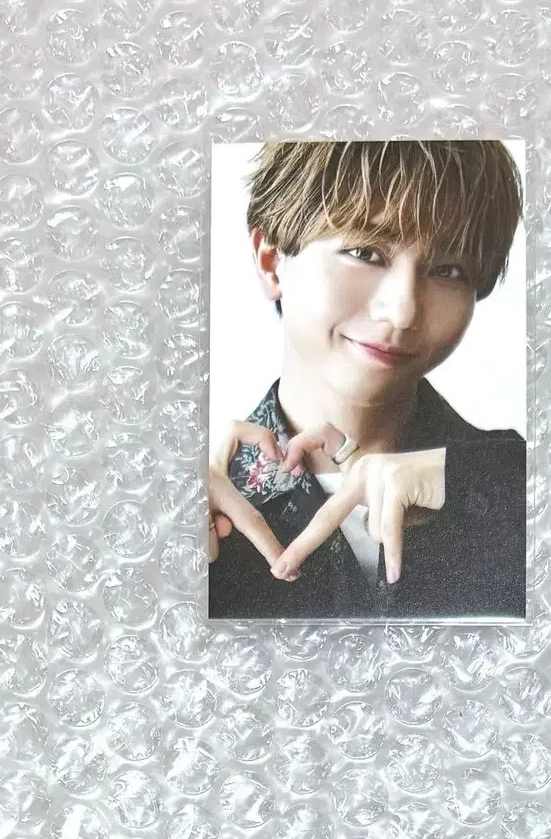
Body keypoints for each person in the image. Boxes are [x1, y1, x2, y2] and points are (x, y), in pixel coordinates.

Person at [207, 140, 527, 620]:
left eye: (448, 270)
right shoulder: (203, 516)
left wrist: (482, 484)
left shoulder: (525, 489)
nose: (403, 310)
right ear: (271, 259)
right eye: (365, 253)